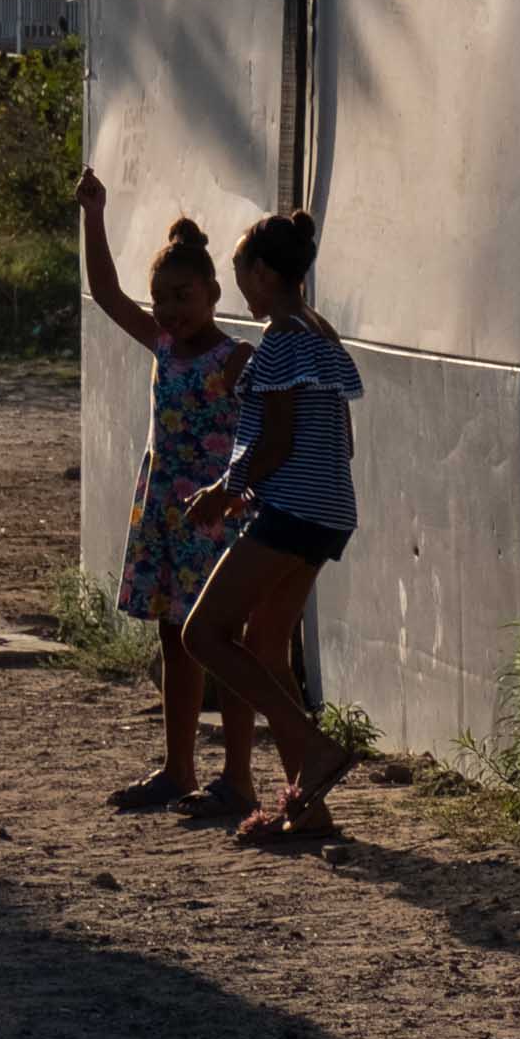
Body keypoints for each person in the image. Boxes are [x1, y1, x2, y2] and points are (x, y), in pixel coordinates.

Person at [78, 169, 277, 819]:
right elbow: (105, 293)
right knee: (176, 636)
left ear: (215, 292)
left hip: (217, 514)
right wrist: (94, 214)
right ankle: (179, 769)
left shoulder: (238, 360)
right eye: (160, 297)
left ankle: (240, 777)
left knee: (225, 640)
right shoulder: (164, 345)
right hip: (166, 504)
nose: (169, 309)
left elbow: (276, 433)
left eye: (182, 296)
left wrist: (247, 496)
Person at [183, 209, 367, 842]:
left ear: (264, 273)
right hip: (326, 509)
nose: (241, 290)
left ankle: (311, 751)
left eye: (241, 276)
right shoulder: (321, 331)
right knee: (266, 646)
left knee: (202, 634)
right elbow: (336, 436)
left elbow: (280, 437)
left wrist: (225, 490)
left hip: (292, 509)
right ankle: (308, 806)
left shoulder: (284, 338)